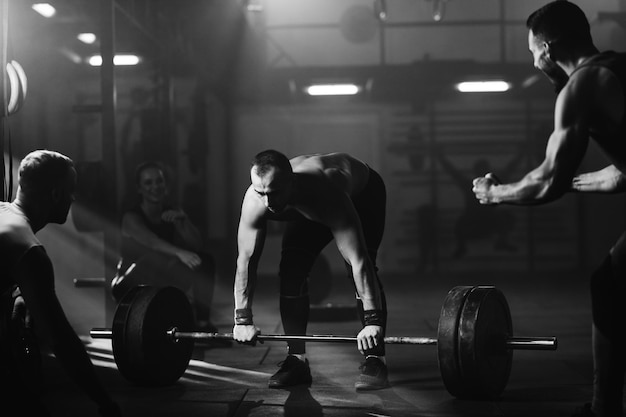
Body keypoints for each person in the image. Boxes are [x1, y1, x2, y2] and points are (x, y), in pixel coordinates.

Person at [471, 2, 626, 416]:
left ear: (548, 47)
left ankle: (605, 409)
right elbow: (621, 175)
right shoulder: (617, 70)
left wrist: (495, 194)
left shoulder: (583, 84)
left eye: (532, 51)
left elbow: (547, 182)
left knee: (610, 286)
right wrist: (573, 185)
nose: (534, 61)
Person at [232, 150, 388, 391]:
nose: (268, 204)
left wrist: (373, 321)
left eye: (273, 193)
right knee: (291, 271)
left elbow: (360, 263)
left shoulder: (326, 193)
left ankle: (375, 360)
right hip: (303, 204)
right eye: (261, 193)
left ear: (291, 182)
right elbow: (246, 261)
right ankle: (297, 362)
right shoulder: (256, 200)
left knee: (357, 268)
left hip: (363, 195)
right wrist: (242, 319)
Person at [0, 150, 121, 416]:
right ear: (55, 194)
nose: (73, 198)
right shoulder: (29, 252)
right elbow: (60, 339)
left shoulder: (4, 215)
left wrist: (20, 293)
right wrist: (105, 403)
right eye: (71, 190)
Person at [113, 161, 219, 333]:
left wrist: (184, 222)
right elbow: (151, 242)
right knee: (155, 258)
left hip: (160, 279)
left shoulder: (171, 212)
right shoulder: (131, 217)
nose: (155, 186)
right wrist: (179, 253)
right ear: (139, 189)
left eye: (159, 181)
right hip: (129, 284)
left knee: (204, 260)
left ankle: (202, 324)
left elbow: (197, 245)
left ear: (165, 184)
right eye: (148, 182)